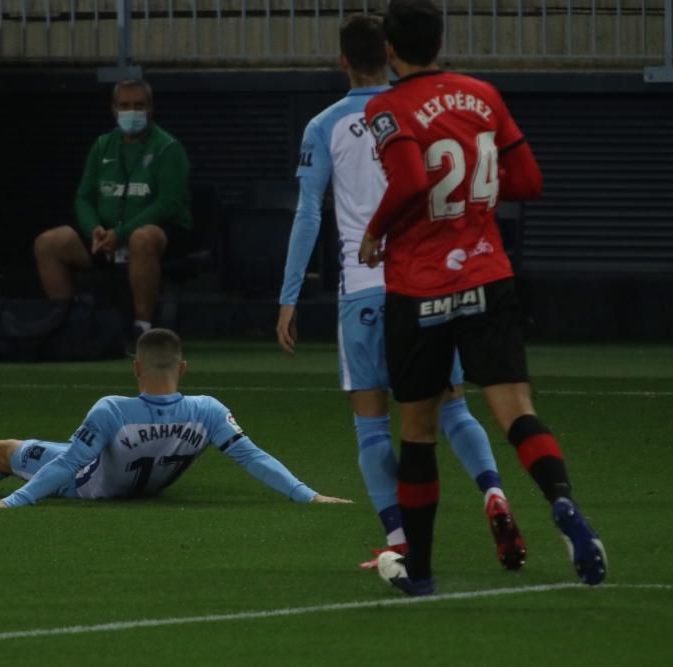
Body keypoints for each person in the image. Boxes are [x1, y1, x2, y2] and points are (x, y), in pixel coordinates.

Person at [358, 0, 606, 595]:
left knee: (417, 430)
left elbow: (414, 180)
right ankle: (564, 505)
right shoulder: (483, 95)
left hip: (419, 285)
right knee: (515, 410)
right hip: (487, 276)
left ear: (389, 50)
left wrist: (376, 230)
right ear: (440, 41)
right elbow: (528, 182)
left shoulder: (387, 107)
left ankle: (419, 572)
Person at [276, 14, 525, 572]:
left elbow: (307, 215)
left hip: (363, 291)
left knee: (371, 422)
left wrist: (289, 295)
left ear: (342, 60)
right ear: (388, 55)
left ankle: (400, 538)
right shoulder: (417, 109)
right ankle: (493, 491)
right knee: (453, 405)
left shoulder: (325, 125)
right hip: (429, 283)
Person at [0, 328, 351, 508]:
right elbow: (253, 457)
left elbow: (68, 465)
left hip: (90, 486)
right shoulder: (207, 410)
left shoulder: (113, 409)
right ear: (182, 368)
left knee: (3, 450)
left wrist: (16, 502)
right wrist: (308, 495)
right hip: (149, 489)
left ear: (136, 368)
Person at [33, 80, 192, 344]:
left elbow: (168, 204)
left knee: (142, 238)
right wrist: (93, 229)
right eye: (125, 106)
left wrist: (122, 234)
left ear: (151, 109)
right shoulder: (102, 146)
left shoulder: (168, 148)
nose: (132, 112)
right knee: (48, 243)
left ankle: (142, 329)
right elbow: (83, 197)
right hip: (106, 236)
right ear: (114, 109)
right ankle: (68, 323)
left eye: (139, 106)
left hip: (161, 235)